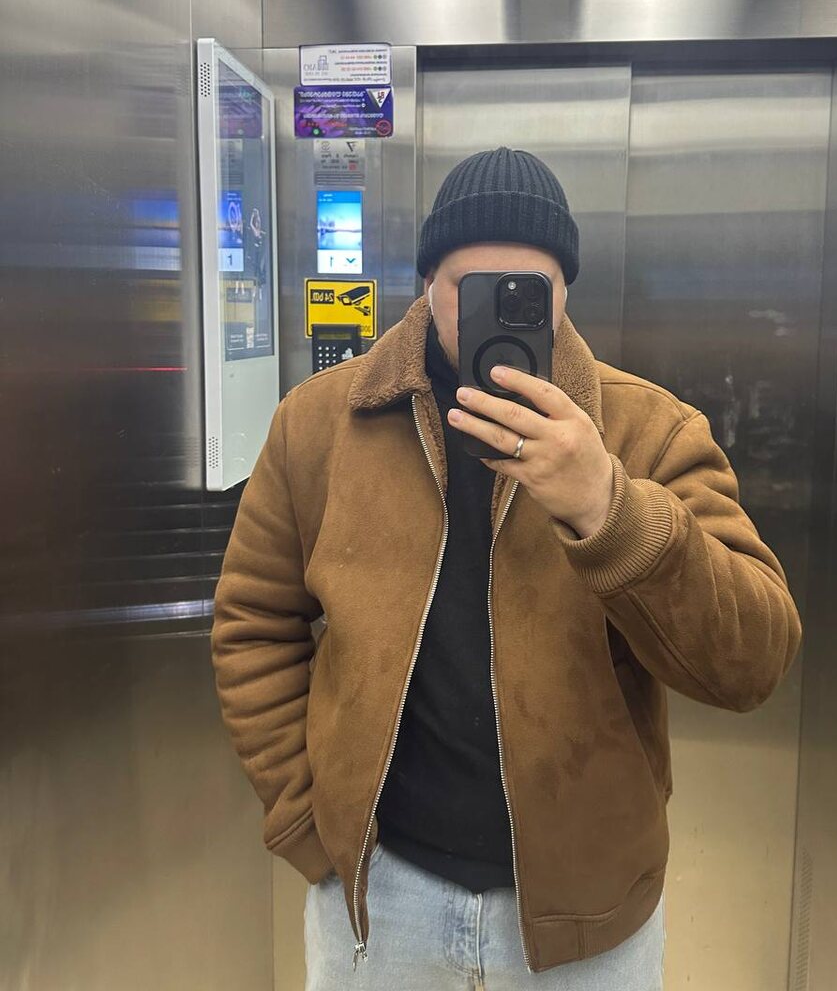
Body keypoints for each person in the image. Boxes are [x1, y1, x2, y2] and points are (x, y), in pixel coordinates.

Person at [210, 147, 802, 990]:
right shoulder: (321, 425)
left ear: (565, 295)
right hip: (380, 898)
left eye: (530, 290)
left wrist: (608, 507)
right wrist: (309, 823)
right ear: (426, 284)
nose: (501, 311)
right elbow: (252, 621)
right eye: (473, 286)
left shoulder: (650, 432)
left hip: (589, 911)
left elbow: (754, 661)